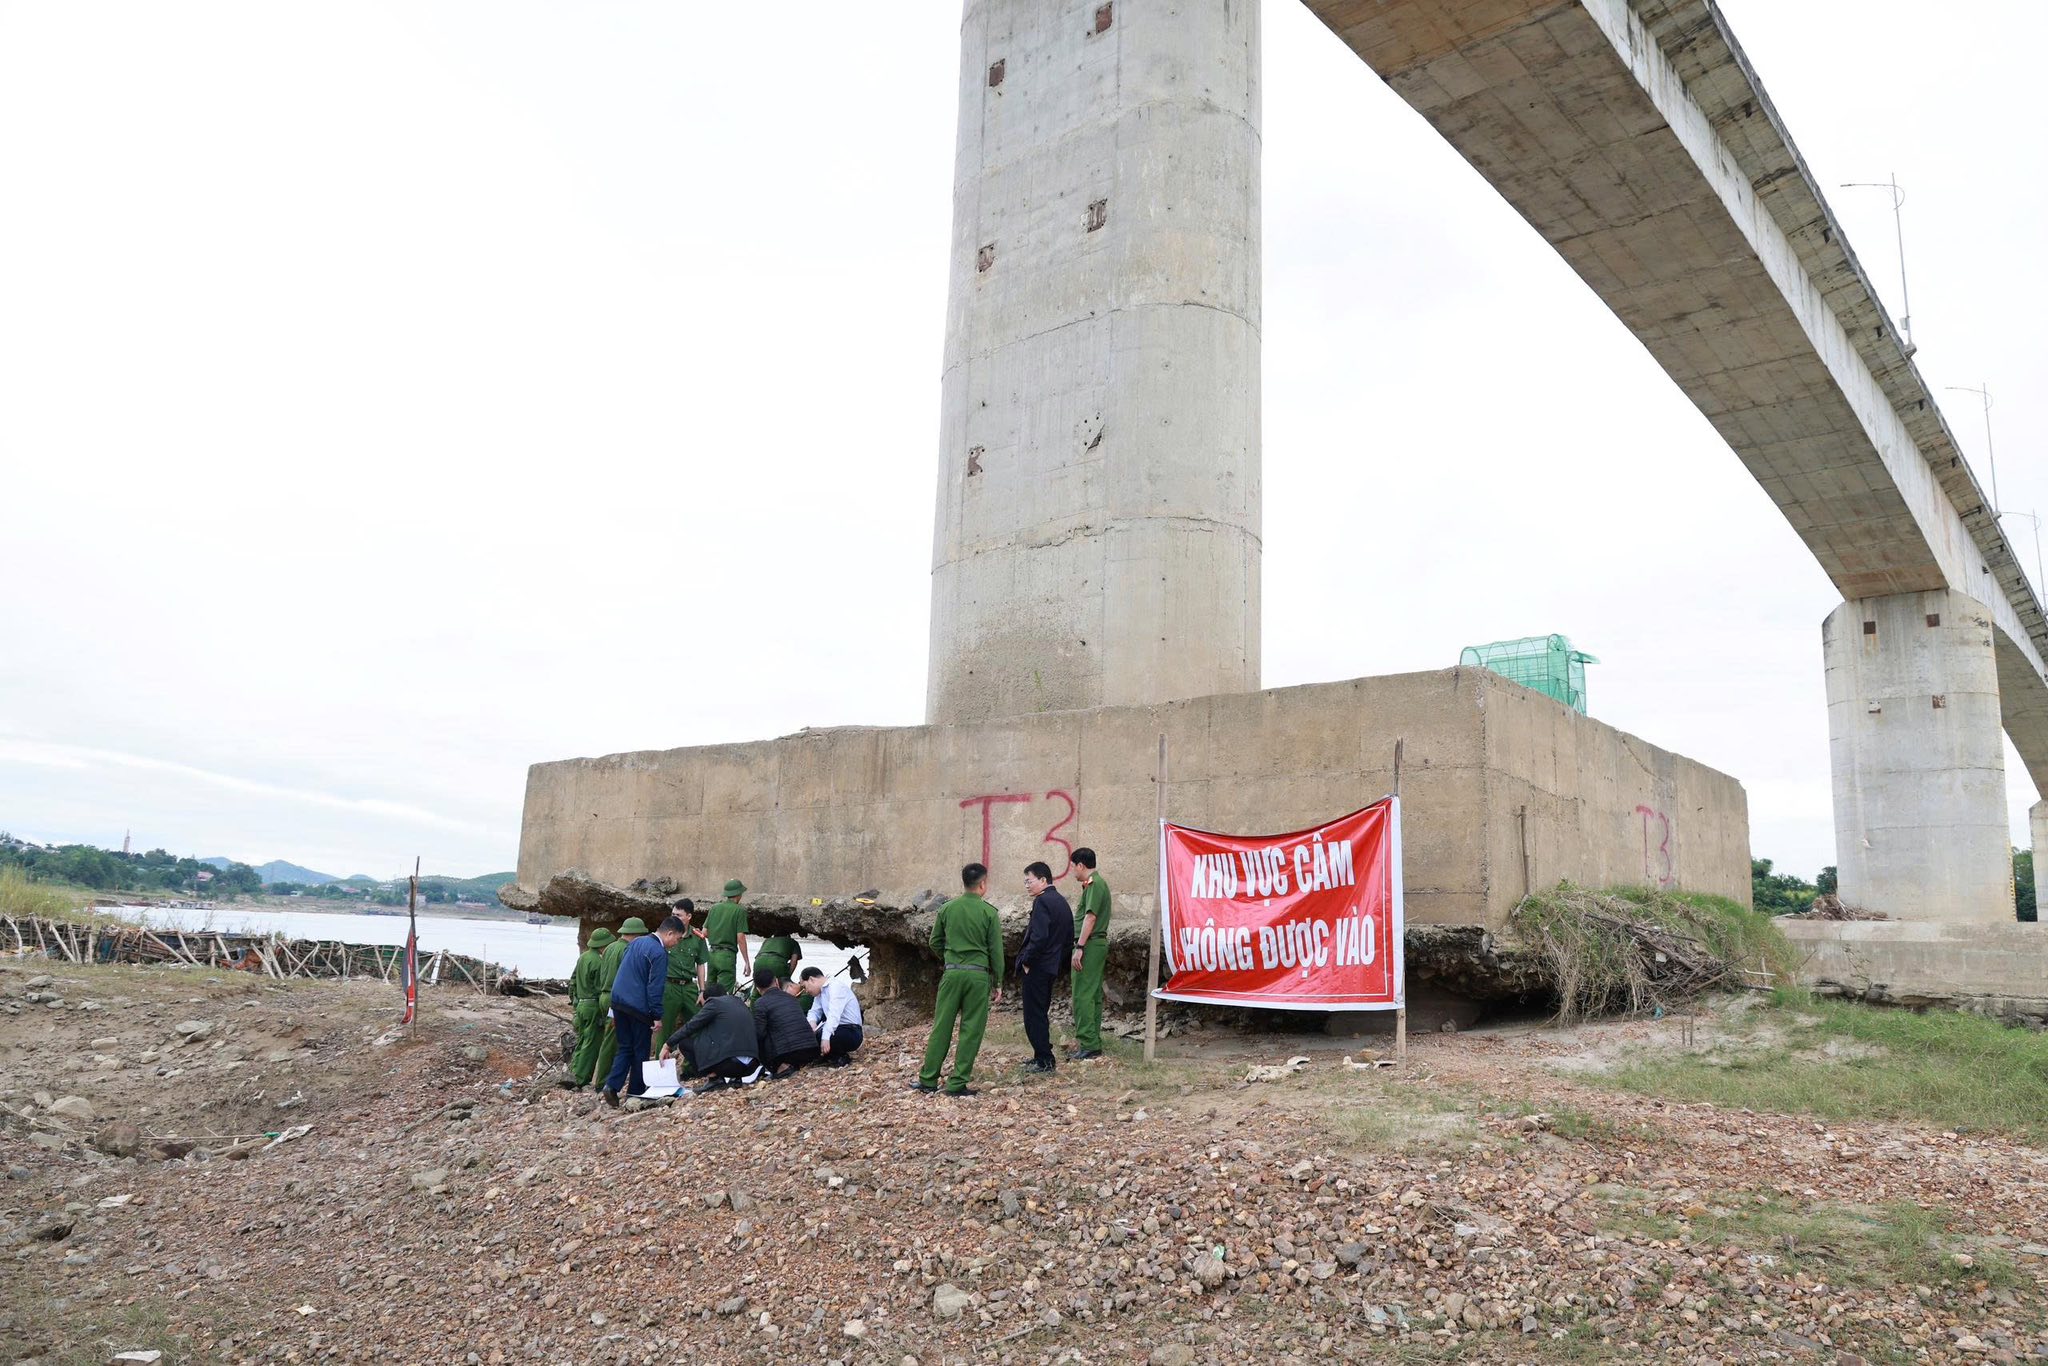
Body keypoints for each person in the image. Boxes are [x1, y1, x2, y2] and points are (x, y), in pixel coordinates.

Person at [913, 863, 1004, 1097]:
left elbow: (935, 941)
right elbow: (996, 952)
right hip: (978, 976)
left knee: (942, 1026)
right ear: (982, 884)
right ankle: (956, 1083)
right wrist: (998, 982)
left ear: (964, 883)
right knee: (971, 1029)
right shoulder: (989, 913)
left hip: (952, 973)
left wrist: (950, 958)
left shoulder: (947, 909)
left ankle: (928, 1079)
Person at [602, 914, 687, 1107]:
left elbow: (623, 971)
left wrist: (612, 1010)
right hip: (638, 1006)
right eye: (677, 939)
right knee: (640, 1050)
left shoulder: (636, 943)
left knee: (625, 1047)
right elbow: (655, 987)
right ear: (670, 933)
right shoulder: (659, 953)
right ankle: (636, 1091)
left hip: (618, 1001)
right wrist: (656, 1016)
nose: (676, 943)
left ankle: (611, 1085)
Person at [1015, 861, 1073, 1073]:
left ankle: (1044, 1060)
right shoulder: (1060, 902)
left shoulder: (1043, 902)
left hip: (1038, 968)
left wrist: (1027, 962)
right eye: (1025, 882)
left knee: (1034, 1014)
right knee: (1040, 1012)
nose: (1027, 886)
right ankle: (1042, 1055)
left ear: (1043, 880)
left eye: (1029, 881)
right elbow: (1068, 939)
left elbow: (1038, 938)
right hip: (1050, 967)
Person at [666, 982, 764, 1090]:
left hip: (730, 1065)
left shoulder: (714, 1003)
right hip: (752, 1066)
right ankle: (736, 1079)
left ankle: (714, 1078)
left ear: (709, 999)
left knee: (685, 1043)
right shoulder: (740, 1003)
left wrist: (667, 1045)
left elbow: (691, 1026)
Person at [589, 916, 646, 1093]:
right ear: (635, 934)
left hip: (604, 996)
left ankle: (602, 1079)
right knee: (614, 1042)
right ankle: (603, 1082)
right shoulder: (627, 950)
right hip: (617, 998)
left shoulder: (609, 948)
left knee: (611, 1039)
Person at [1068, 848, 1111, 1061]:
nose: (1072, 872)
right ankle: (1092, 1042)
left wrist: (1080, 947)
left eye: (1072, 867)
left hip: (1090, 945)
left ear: (1080, 866)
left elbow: (1090, 917)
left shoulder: (1094, 884)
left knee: (1082, 994)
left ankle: (1088, 1042)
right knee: (1092, 995)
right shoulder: (1096, 884)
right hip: (1096, 945)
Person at [565, 926, 616, 1089]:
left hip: (581, 1004)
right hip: (593, 1005)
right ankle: (581, 1078)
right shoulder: (599, 961)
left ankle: (574, 1072)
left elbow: (572, 981)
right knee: (592, 1042)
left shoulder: (584, 957)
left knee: (582, 1040)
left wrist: (574, 1001)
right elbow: (602, 985)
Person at [750, 967, 820, 1076]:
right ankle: (793, 1065)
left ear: (758, 988)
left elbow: (759, 1034)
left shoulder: (760, 1003)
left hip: (788, 1053)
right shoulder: (791, 998)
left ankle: (780, 1068)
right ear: (776, 982)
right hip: (811, 1050)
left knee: (759, 1033)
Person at [660, 899, 708, 1049]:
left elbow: (701, 964)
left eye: (679, 915)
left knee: (698, 1025)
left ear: (689, 917)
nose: (674, 917)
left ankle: (691, 1066)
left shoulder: (697, 937)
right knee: (664, 1030)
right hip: (669, 986)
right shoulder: (666, 934)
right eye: (673, 914)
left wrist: (702, 990)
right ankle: (660, 1070)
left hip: (688, 986)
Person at [800, 964, 863, 1066]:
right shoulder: (820, 992)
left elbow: (834, 1014)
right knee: (808, 1036)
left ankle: (840, 1057)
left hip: (852, 1031)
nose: (806, 991)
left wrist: (825, 1037)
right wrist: (812, 1024)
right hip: (838, 1028)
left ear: (811, 980)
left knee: (821, 1037)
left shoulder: (835, 986)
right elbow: (814, 1011)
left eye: (805, 987)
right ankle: (828, 1055)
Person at [705, 880, 752, 994]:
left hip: (711, 955)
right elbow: (740, 938)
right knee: (724, 994)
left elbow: (705, 932)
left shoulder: (714, 908)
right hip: (726, 956)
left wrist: (718, 935)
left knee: (709, 991)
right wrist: (746, 962)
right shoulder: (739, 910)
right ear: (739, 894)